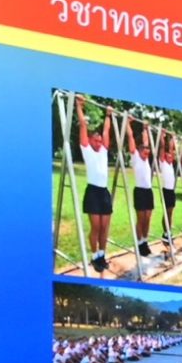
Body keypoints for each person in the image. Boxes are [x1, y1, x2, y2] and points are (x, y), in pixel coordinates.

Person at [76, 96, 114, 272]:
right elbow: (83, 125)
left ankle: (101, 255)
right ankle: (94, 257)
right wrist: (79, 105)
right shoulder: (86, 149)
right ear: (90, 140)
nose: (99, 143)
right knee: (96, 227)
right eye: (96, 140)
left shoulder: (103, 151)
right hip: (92, 192)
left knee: (105, 227)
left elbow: (107, 130)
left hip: (104, 193)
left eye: (100, 141)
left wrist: (108, 114)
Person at [125, 118, 156, 258]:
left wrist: (145, 128)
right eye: (145, 150)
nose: (147, 152)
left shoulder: (146, 159)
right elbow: (130, 137)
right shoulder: (135, 157)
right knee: (141, 219)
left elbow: (146, 140)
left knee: (148, 218)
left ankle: (145, 241)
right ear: (139, 150)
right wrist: (128, 123)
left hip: (148, 191)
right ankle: (139, 243)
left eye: (148, 151)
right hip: (139, 191)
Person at [157, 132, 180, 253]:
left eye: (171, 155)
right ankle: (165, 233)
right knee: (166, 213)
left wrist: (173, 138)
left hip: (171, 191)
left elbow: (171, 148)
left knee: (170, 213)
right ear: (165, 155)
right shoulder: (162, 162)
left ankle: (168, 232)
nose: (170, 155)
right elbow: (162, 147)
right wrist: (162, 137)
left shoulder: (171, 164)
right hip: (165, 191)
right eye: (168, 154)